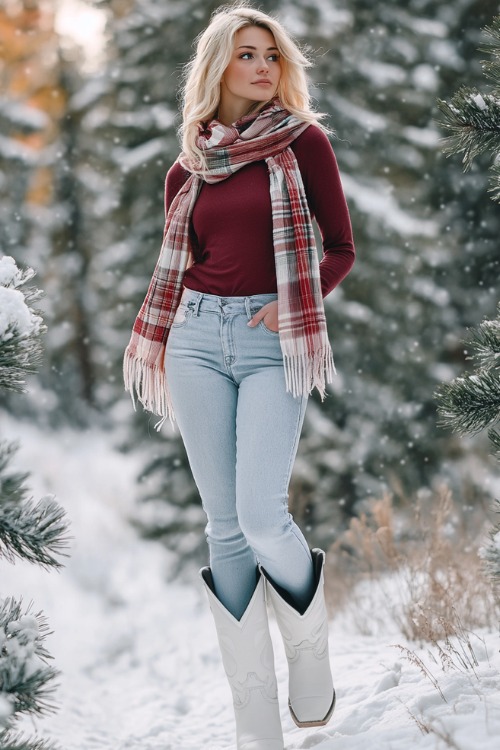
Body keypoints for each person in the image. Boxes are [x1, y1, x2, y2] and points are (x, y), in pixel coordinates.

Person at [124, 4, 355, 748]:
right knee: (223, 528)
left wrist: (295, 305)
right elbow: (185, 265)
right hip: (194, 337)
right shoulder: (186, 169)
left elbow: (341, 248)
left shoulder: (303, 143)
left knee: (261, 515)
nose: (262, 67)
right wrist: (179, 328)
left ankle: (309, 649)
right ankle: (255, 715)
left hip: (269, 340)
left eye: (272, 55)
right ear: (218, 65)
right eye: (247, 55)